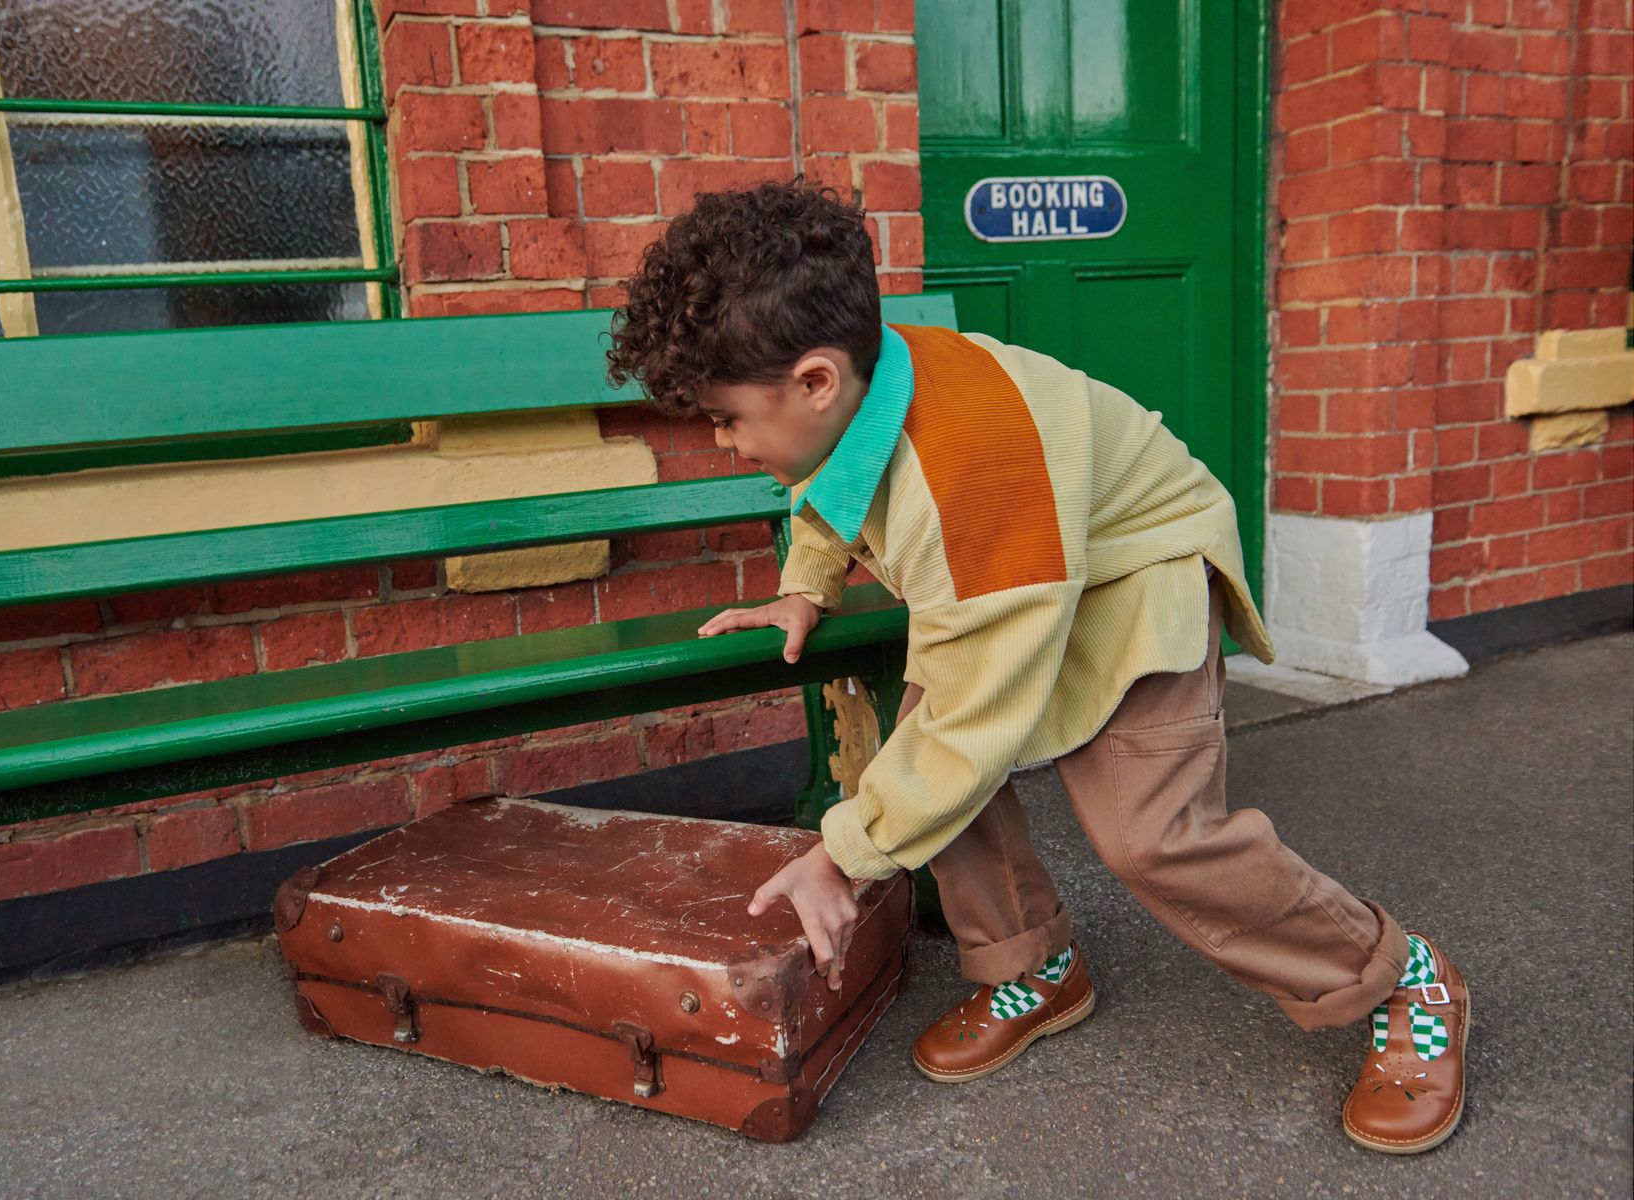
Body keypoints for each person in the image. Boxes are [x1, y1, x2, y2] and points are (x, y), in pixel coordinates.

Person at [604, 176, 1469, 1155]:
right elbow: (828, 487)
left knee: (1151, 836)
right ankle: (1034, 962)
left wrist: (844, 853)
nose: (723, 442)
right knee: (924, 764)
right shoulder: (865, 386)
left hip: (1129, 578)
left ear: (813, 380)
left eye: (725, 419)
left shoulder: (969, 466)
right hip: (1008, 579)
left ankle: (1397, 975)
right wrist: (809, 584)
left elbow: (976, 722)